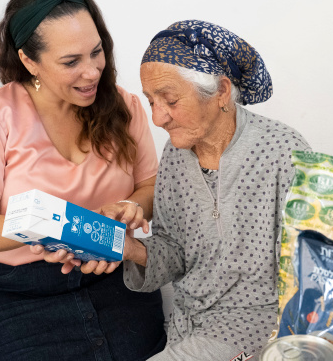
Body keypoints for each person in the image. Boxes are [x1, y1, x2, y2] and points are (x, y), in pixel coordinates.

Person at [0, 0, 166, 360]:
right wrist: (49, 225)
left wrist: (128, 209)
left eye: (97, 52)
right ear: (29, 60)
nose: (92, 72)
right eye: (71, 61)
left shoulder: (124, 106)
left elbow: (150, 186)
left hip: (114, 275)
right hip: (17, 293)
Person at [131, 20, 310, 359]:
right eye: (150, 101)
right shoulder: (175, 153)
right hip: (188, 325)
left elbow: (305, 274)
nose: (157, 118)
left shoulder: (284, 152)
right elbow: (175, 252)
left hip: (259, 325)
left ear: (221, 93)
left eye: (169, 100)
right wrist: (132, 250)